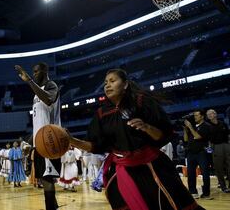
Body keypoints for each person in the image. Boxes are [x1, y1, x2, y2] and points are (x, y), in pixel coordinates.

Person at [69, 69, 204, 210]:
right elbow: (95, 145)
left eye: (112, 81)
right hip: (121, 170)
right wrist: (71, 140)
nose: (107, 85)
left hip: (151, 166)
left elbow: (163, 134)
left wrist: (147, 127)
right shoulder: (101, 114)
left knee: (174, 203)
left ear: (125, 84)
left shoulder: (141, 102)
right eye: (105, 83)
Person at [15, 62, 61, 210]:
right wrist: (31, 143)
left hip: (50, 139)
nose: (33, 74)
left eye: (36, 72)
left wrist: (29, 81)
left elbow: (48, 99)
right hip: (40, 141)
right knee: (44, 178)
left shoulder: (51, 86)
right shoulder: (36, 93)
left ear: (45, 71)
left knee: (47, 179)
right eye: (32, 72)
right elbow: (37, 122)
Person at [184, 109, 213, 199]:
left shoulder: (206, 126)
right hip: (191, 153)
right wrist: (185, 129)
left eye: (196, 115)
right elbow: (185, 139)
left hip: (201, 152)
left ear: (202, 116)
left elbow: (198, 136)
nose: (195, 117)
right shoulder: (193, 126)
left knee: (205, 173)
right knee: (191, 173)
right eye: (194, 115)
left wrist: (190, 127)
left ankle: (206, 193)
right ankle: (193, 192)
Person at [206, 109, 230, 193]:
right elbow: (207, 140)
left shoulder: (223, 123)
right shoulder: (208, 126)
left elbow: (228, 134)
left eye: (212, 113)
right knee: (218, 168)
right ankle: (223, 186)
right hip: (215, 146)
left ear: (215, 114)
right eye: (209, 114)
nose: (210, 114)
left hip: (226, 145)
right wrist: (209, 150)